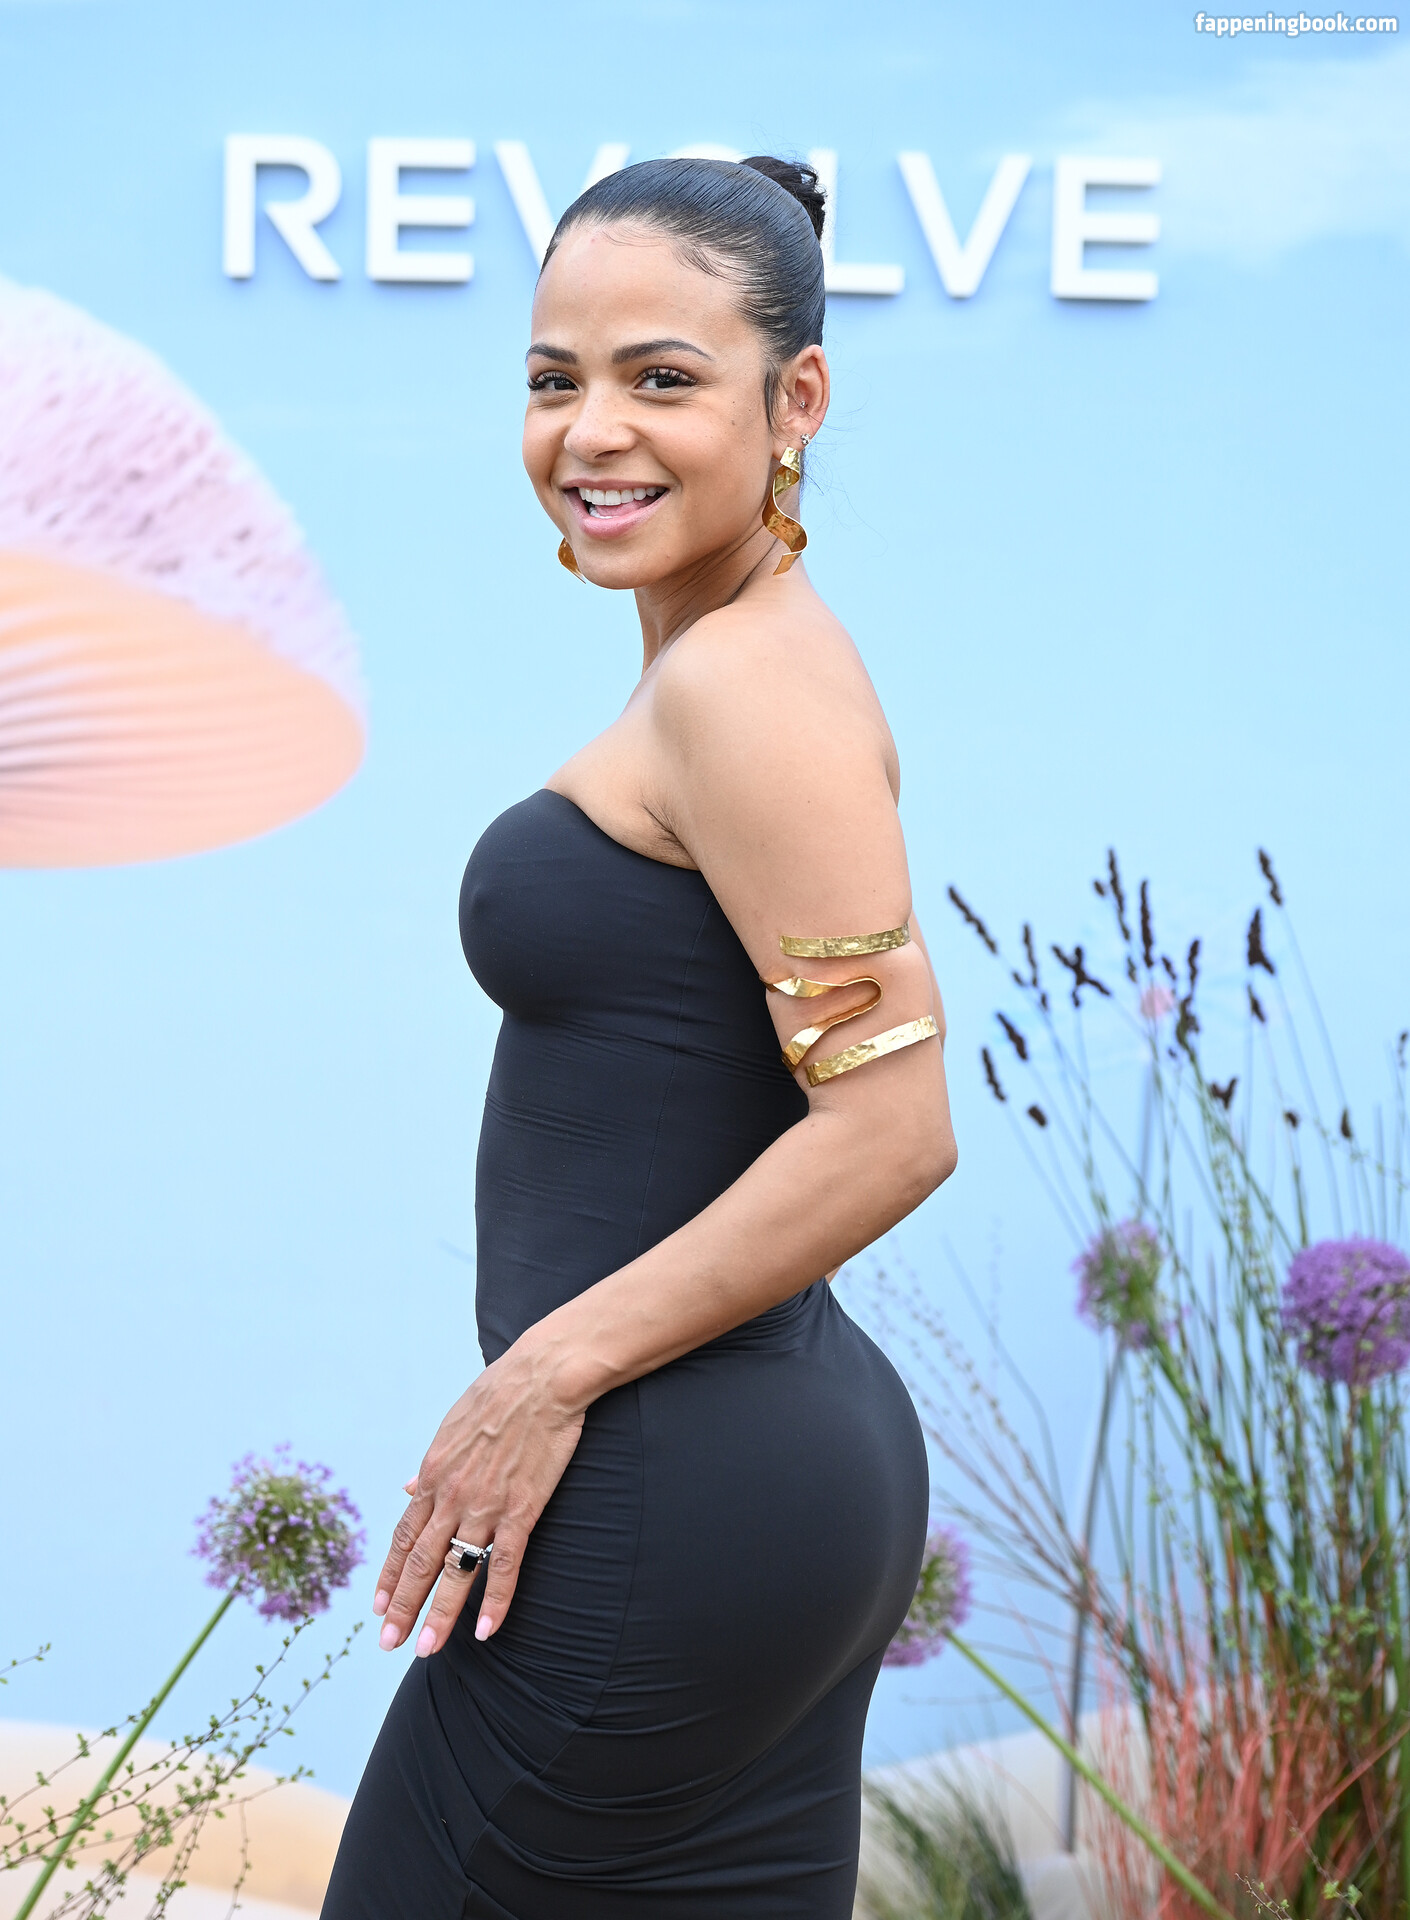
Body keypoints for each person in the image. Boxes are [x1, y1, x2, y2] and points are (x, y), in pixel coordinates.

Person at [321, 154, 957, 1920]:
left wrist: (538, 1379)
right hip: (738, 1474)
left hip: (660, 1492)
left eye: (661, 378)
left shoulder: (746, 687)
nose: (591, 431)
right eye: (555, 379)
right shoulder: (727, 660)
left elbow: (890, 1129)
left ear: (794, 399)